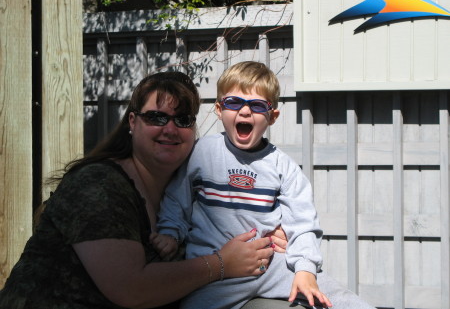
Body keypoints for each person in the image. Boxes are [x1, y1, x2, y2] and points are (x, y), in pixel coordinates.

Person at [0, 71, 277, 309]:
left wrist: (276, 231)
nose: (170, 128)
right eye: (156, 117)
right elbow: (129, 287)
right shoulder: (99, 184)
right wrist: (219, 265)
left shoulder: (189, 190)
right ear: (132, 122)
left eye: (182, 120)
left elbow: (239, 217)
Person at [152, 62, 376, 309]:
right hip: (217, 271)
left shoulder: (284, 166)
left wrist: (305, 269)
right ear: (218, 109)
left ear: (272, 116)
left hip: (273, 265)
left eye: (257, 106)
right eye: (234, 103)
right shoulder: (201, 153)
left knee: (342, 300)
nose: (245, 112)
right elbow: (177, 200)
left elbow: (302, 223)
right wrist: (170, 233)